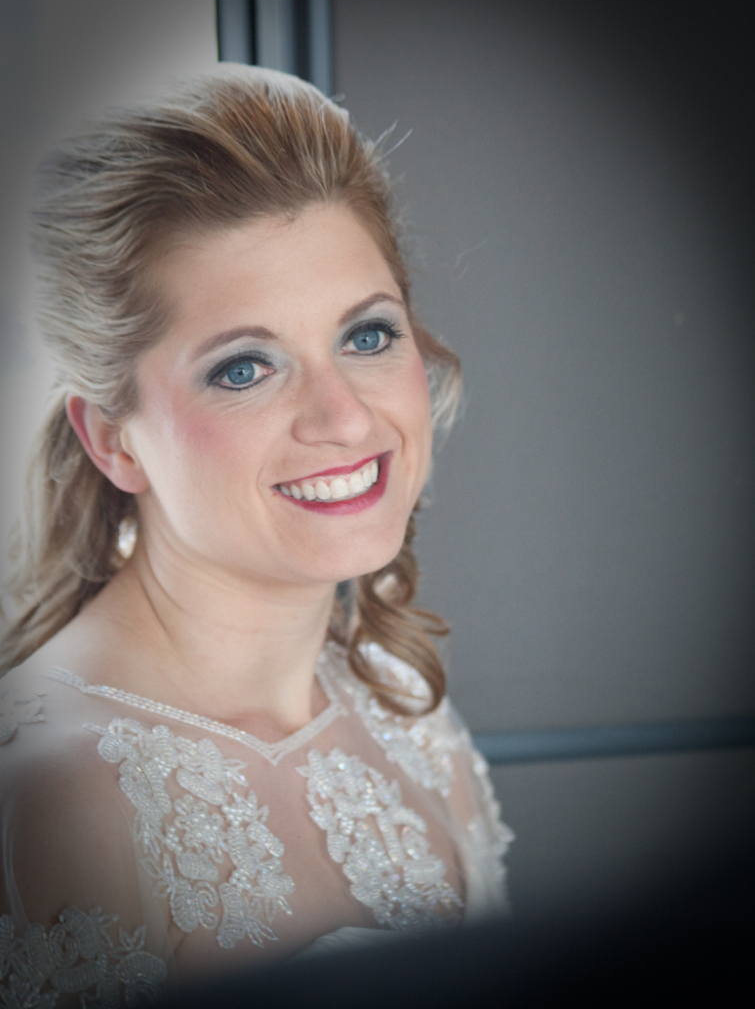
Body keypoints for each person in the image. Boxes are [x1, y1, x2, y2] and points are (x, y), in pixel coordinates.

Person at [0, 65, 512, 1005]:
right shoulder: (56, 797)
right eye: (244, 369)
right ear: (113, 440)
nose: (344, 419)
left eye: (366, 337)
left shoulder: (401, 704)